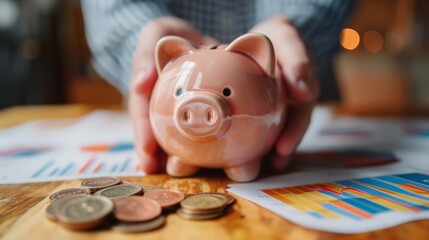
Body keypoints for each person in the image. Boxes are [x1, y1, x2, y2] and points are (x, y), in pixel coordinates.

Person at [81, 0, 356, 174]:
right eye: (180, 93)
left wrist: (297, 27)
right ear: (168, 57)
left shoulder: (261, 62)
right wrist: (141, 31)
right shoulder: (175, 62)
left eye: (226, 94)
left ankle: (243, 161)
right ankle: (182, 158)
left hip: (296, 73)